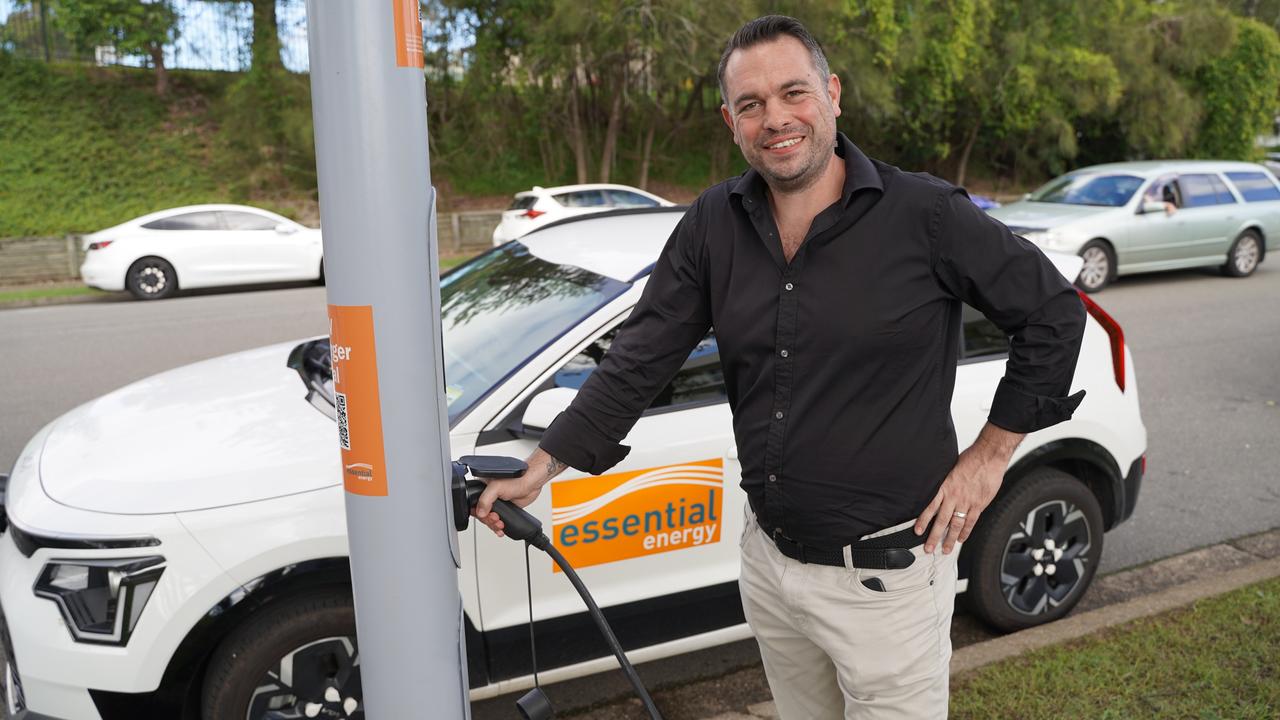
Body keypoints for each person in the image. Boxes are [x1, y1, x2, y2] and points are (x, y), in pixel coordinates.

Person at [475, 15, 1086, 719]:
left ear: (831, 94)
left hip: (885, 585)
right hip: (769, 566)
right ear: (729, 121)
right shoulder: (712, 223)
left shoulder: (926, 216)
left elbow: (1052, 314)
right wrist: (543, 464)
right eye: (751, 104)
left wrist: (990, 455)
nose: (776, 118)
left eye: (793, 92)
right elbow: (641, 354)